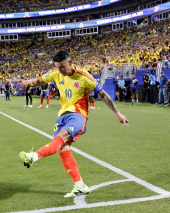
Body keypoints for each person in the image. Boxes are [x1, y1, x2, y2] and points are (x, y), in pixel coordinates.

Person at [19, 51, 128, 198]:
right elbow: (38, 81)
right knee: (62, 148)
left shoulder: (84, 77)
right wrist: (28, 82)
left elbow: (103, 95)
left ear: (70, 63)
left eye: (62, 67)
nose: (59, 70)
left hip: (78, 115)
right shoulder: (56, 74)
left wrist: (117, 113)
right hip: (62, 116)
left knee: (61, 139)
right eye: (57, 67)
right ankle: (80, 185)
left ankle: (33, 156)